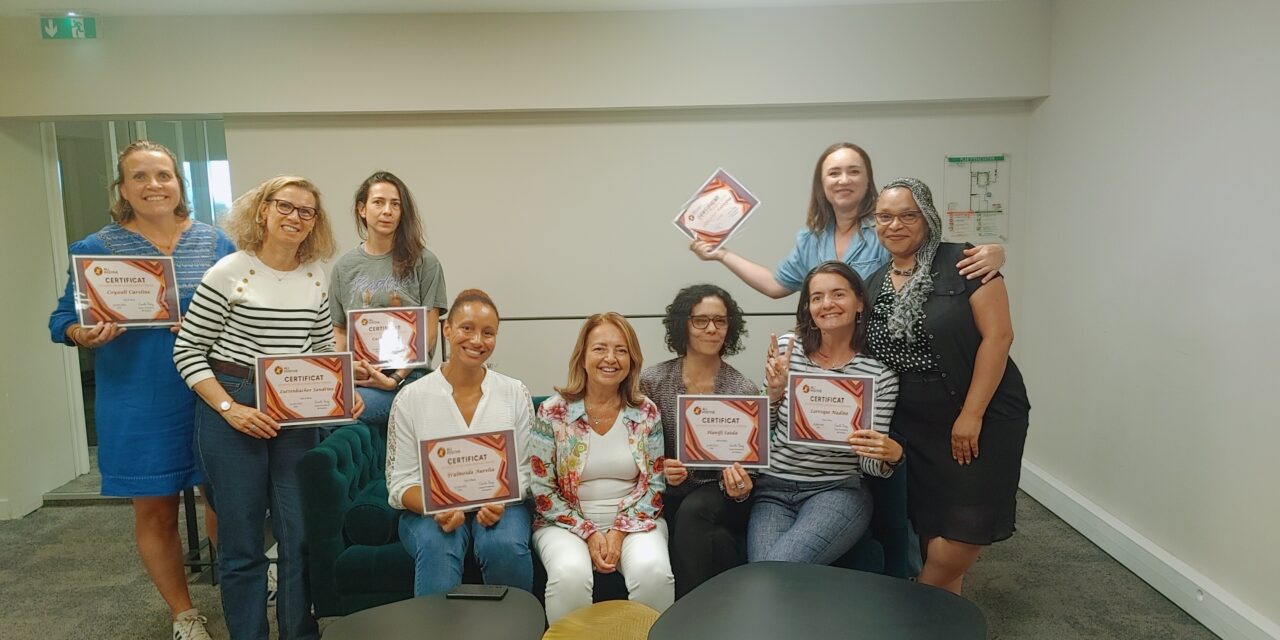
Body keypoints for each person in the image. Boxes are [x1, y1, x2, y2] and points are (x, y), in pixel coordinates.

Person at [48, 140, 233, 640]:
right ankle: (184, 614)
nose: (154, 186)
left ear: (179, 183)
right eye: (140, 177)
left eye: (163, 175)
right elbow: (63, 318)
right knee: (155, 509)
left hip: (212, 392)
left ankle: (242, 589)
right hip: (137, 398)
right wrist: (80, 333)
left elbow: (243, 313)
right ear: (123, 188)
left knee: (224, 499)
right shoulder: (95, 249)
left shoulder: (218, 245)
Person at [174, 175, 361, 640]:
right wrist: (228, 408)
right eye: (286, 206)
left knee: (298, 536)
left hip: (294, 412)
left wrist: (345, 390)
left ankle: (298, 633)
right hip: (231, 407)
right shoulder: (228, 271)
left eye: (307, 211)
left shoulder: (315, 274)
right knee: (241, 543)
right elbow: (188, 351)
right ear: (263, 210)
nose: (295, 217)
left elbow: (321, 350)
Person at [864, 177, 1030, 595]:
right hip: (911, 423)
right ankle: (943, 623)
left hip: (979, 412)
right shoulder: (874, 281)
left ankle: (912, 605)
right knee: (931, 525)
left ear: (928, 216)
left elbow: (999, 337)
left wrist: (971, 415)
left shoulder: (966, 262)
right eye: (885, 216)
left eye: (908, 215)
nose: (895, 225)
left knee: (962, 535)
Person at [689, 142, 1005, 296]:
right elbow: (776, 285)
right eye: (834, 173)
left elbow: (934, 253)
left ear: (868, 180)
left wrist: (994, 253)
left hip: (885, 349)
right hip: (831, 350)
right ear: (822, 183)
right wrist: (723, 255)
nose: (844, 180)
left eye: (854, 171)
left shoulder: (889, 228)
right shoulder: (811, 238)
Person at [385, 289, 535, 596]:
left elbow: (527, 469)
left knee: (502, 543)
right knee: (438, 541)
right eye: (467, 328)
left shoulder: (514, 393)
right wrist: (435, 506)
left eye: (488, 332)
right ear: (447, 329)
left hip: (501, 505)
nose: (477, 340)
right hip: (428, 510)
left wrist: (501, 500)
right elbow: (400, 483)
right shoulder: (411, 398)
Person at [752, 261, 903, 564]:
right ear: (808, 307)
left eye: (838, 294)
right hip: (772, 489)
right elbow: (758, 435)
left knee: (773, 570)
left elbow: (869, 466)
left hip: (836, 489)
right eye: (817, 297)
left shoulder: (878, 374)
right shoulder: (787, 348)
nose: (827, 304)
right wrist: (774, 393)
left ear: (860, 302)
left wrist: (891, 456)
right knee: (765, 575)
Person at [529, 313, 674, 623]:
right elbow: (542, 492)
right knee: (569, 575)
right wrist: (591, 533)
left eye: (621, 350)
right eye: (600, 348)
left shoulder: (646, 411)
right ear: (582, 356)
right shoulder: (553, 412)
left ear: (632, 360)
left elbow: (655, 487)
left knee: (654, 573)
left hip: (635, 519)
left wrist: (619, 532)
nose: (611, 358)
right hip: (564, 521)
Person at [639, 284, 757, 597]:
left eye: (720, 321)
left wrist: (742, 486)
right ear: (683, 325)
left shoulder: (743, 390)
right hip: (666, 492)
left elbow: (752, 470)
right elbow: (635, 449)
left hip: (719, 494)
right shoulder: (653, 382)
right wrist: (660, 469)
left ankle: (683, 617)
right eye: (700, 320)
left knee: (694, 510)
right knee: (718, 542)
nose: (711, 329)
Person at [329, 171, 447, 431]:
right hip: (358, 377)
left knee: (339, 412)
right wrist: (350, 371)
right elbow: (339, 332)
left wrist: (393, 379)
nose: (387, 211)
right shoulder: (343, 267)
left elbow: (427, 336)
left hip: (408, 379)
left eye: (395, 204)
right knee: (317, 410)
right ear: (362, 209)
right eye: (378, 202)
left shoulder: (425, 262)